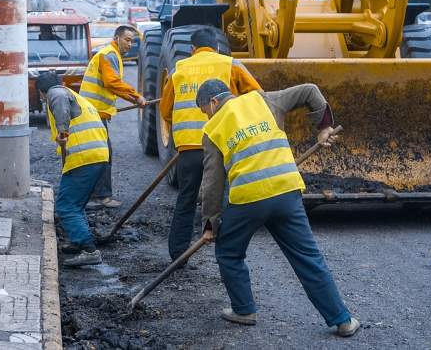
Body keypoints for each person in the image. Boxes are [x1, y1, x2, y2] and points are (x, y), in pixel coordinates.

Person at [195, 79, 360, 337]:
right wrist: (324, 127)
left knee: (228, 252)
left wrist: (210, 225)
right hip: (286, 192)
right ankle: (343, 320)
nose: (207, 115)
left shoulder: (212, 128)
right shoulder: (263, 98)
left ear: (213, 102)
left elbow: (212, 182)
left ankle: (244, 310)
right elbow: (310, 90)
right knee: (308, 258)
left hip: (248, 200)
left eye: (205, 110)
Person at [159, 27, 262, 262]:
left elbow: (165, 110)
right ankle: (227, 251)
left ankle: (178, 255)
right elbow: (257, 96)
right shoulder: (231, 64)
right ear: (216, 47)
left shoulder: (179, 70)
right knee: (224, 199)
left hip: (189, 151)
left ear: (192, 50)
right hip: (224, 145)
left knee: (186, 198)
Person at [37, 71, 108, 267]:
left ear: (42, 93)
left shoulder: (57, 93)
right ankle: (78, 241)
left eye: (42, 96)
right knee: (76, 204)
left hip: (83, 157)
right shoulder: (75, 96)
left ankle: (89, 249)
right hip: (97, 155)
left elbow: (57, 100)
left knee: (66, 206)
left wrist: (62, 132)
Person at [79, 25, 146, 209]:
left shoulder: (111, 55)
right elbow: (112, 83)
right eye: (127, 39)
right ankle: (100, 197)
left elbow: (111, 84)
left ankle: (96, 195)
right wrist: (136, 96)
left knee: (100, 154)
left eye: (132, 41)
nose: (130, 44)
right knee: (102, 155)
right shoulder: (109, 54)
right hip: (93, 114)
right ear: (117, 38)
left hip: (94, 113)